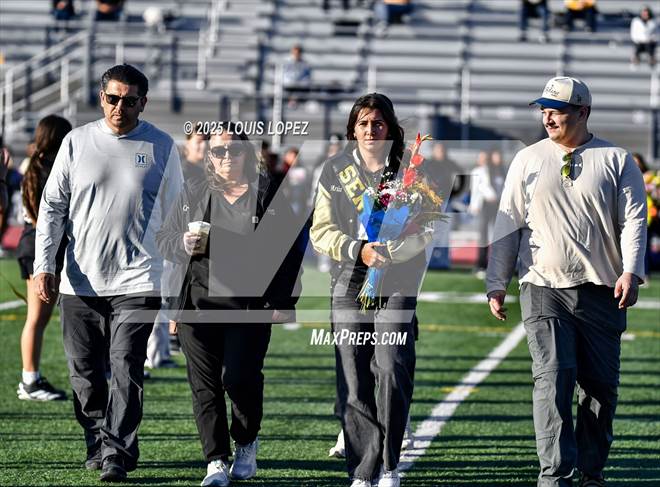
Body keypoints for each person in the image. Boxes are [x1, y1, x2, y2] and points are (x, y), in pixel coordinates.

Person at [486, 76, 647, 487]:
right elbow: (507, 222)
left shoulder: (617, 159)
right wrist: (496, 281)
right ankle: (554, 476)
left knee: (600, 390)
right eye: (544, 110)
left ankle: (591, 474)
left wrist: (631, 270)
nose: (547, 117)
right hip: (542, 287)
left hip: (603, 290)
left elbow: (634, 220)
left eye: (556, 110)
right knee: (552, 379)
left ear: (583, 112)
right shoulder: (527, 159)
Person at [33, 64, 183, 482]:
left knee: (126, 366)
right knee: (84, 375)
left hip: (139, 278)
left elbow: (177, 215)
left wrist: (176, 290)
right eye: (113, 98)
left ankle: (116, 451)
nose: (120, 107)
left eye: (129, 100)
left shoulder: (161, 146)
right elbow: (52, 207)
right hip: (79, 280)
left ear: (143, 103)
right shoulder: (76, 142)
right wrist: (45, 264)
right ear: (102, 99)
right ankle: (97, 441)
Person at [156, 125, 303, 487]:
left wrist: (282, 301)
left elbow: (290, 251)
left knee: (239, 379)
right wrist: (182, 243)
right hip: (196, 306)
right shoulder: (193, 190)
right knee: (204, 387)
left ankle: (247, 441)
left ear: (247, 154)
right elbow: (164, 239)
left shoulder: (266, 193)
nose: (225, 157)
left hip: (248, 307)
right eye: (218, 151)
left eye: (233, 150)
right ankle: (216, 461)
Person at [310, 93, 432, 487]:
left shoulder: (412, 169)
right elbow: (320, 230)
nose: (370, 130)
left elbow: (427, 228)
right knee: (354, 378)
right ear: (352, 130)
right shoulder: (334, 169)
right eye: (362, 123)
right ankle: (363, 472)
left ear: (390, 128)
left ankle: (391, 465)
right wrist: (358, 249)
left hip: (398, 280)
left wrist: (391, 251)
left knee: (392, 367)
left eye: (377, 123)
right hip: (349, 279)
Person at [15, 115, 72, 402]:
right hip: (40, 247)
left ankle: (31, 378)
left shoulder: (34, 164)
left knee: (38, 318)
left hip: (32, 244)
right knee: (37, 318)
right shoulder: (49, 168)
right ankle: (29, 381)